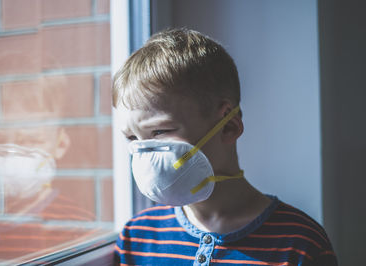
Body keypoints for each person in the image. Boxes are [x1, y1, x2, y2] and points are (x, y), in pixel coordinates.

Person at [112, 28, 337, 265]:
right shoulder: (136, 239)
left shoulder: (300, 243)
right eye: (132, 139)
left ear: (228, 127)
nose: (143, 153)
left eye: (160, 132)